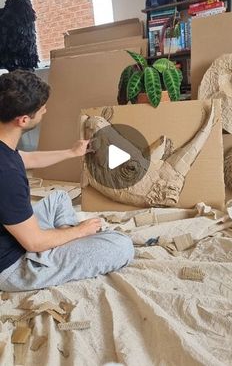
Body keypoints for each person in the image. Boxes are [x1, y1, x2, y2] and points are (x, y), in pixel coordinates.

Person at [0, 70, 134, 291]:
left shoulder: (5, 149)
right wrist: (80, 231)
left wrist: (72, 152)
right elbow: (33, 243)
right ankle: (66, 241)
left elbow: (26, 158)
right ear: (23, 120)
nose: (45, 110)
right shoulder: (7, 174)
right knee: (121, 245)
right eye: (41, 108)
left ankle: (64, 239)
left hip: (12, 234)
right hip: (11, 266)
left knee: (60, 197)